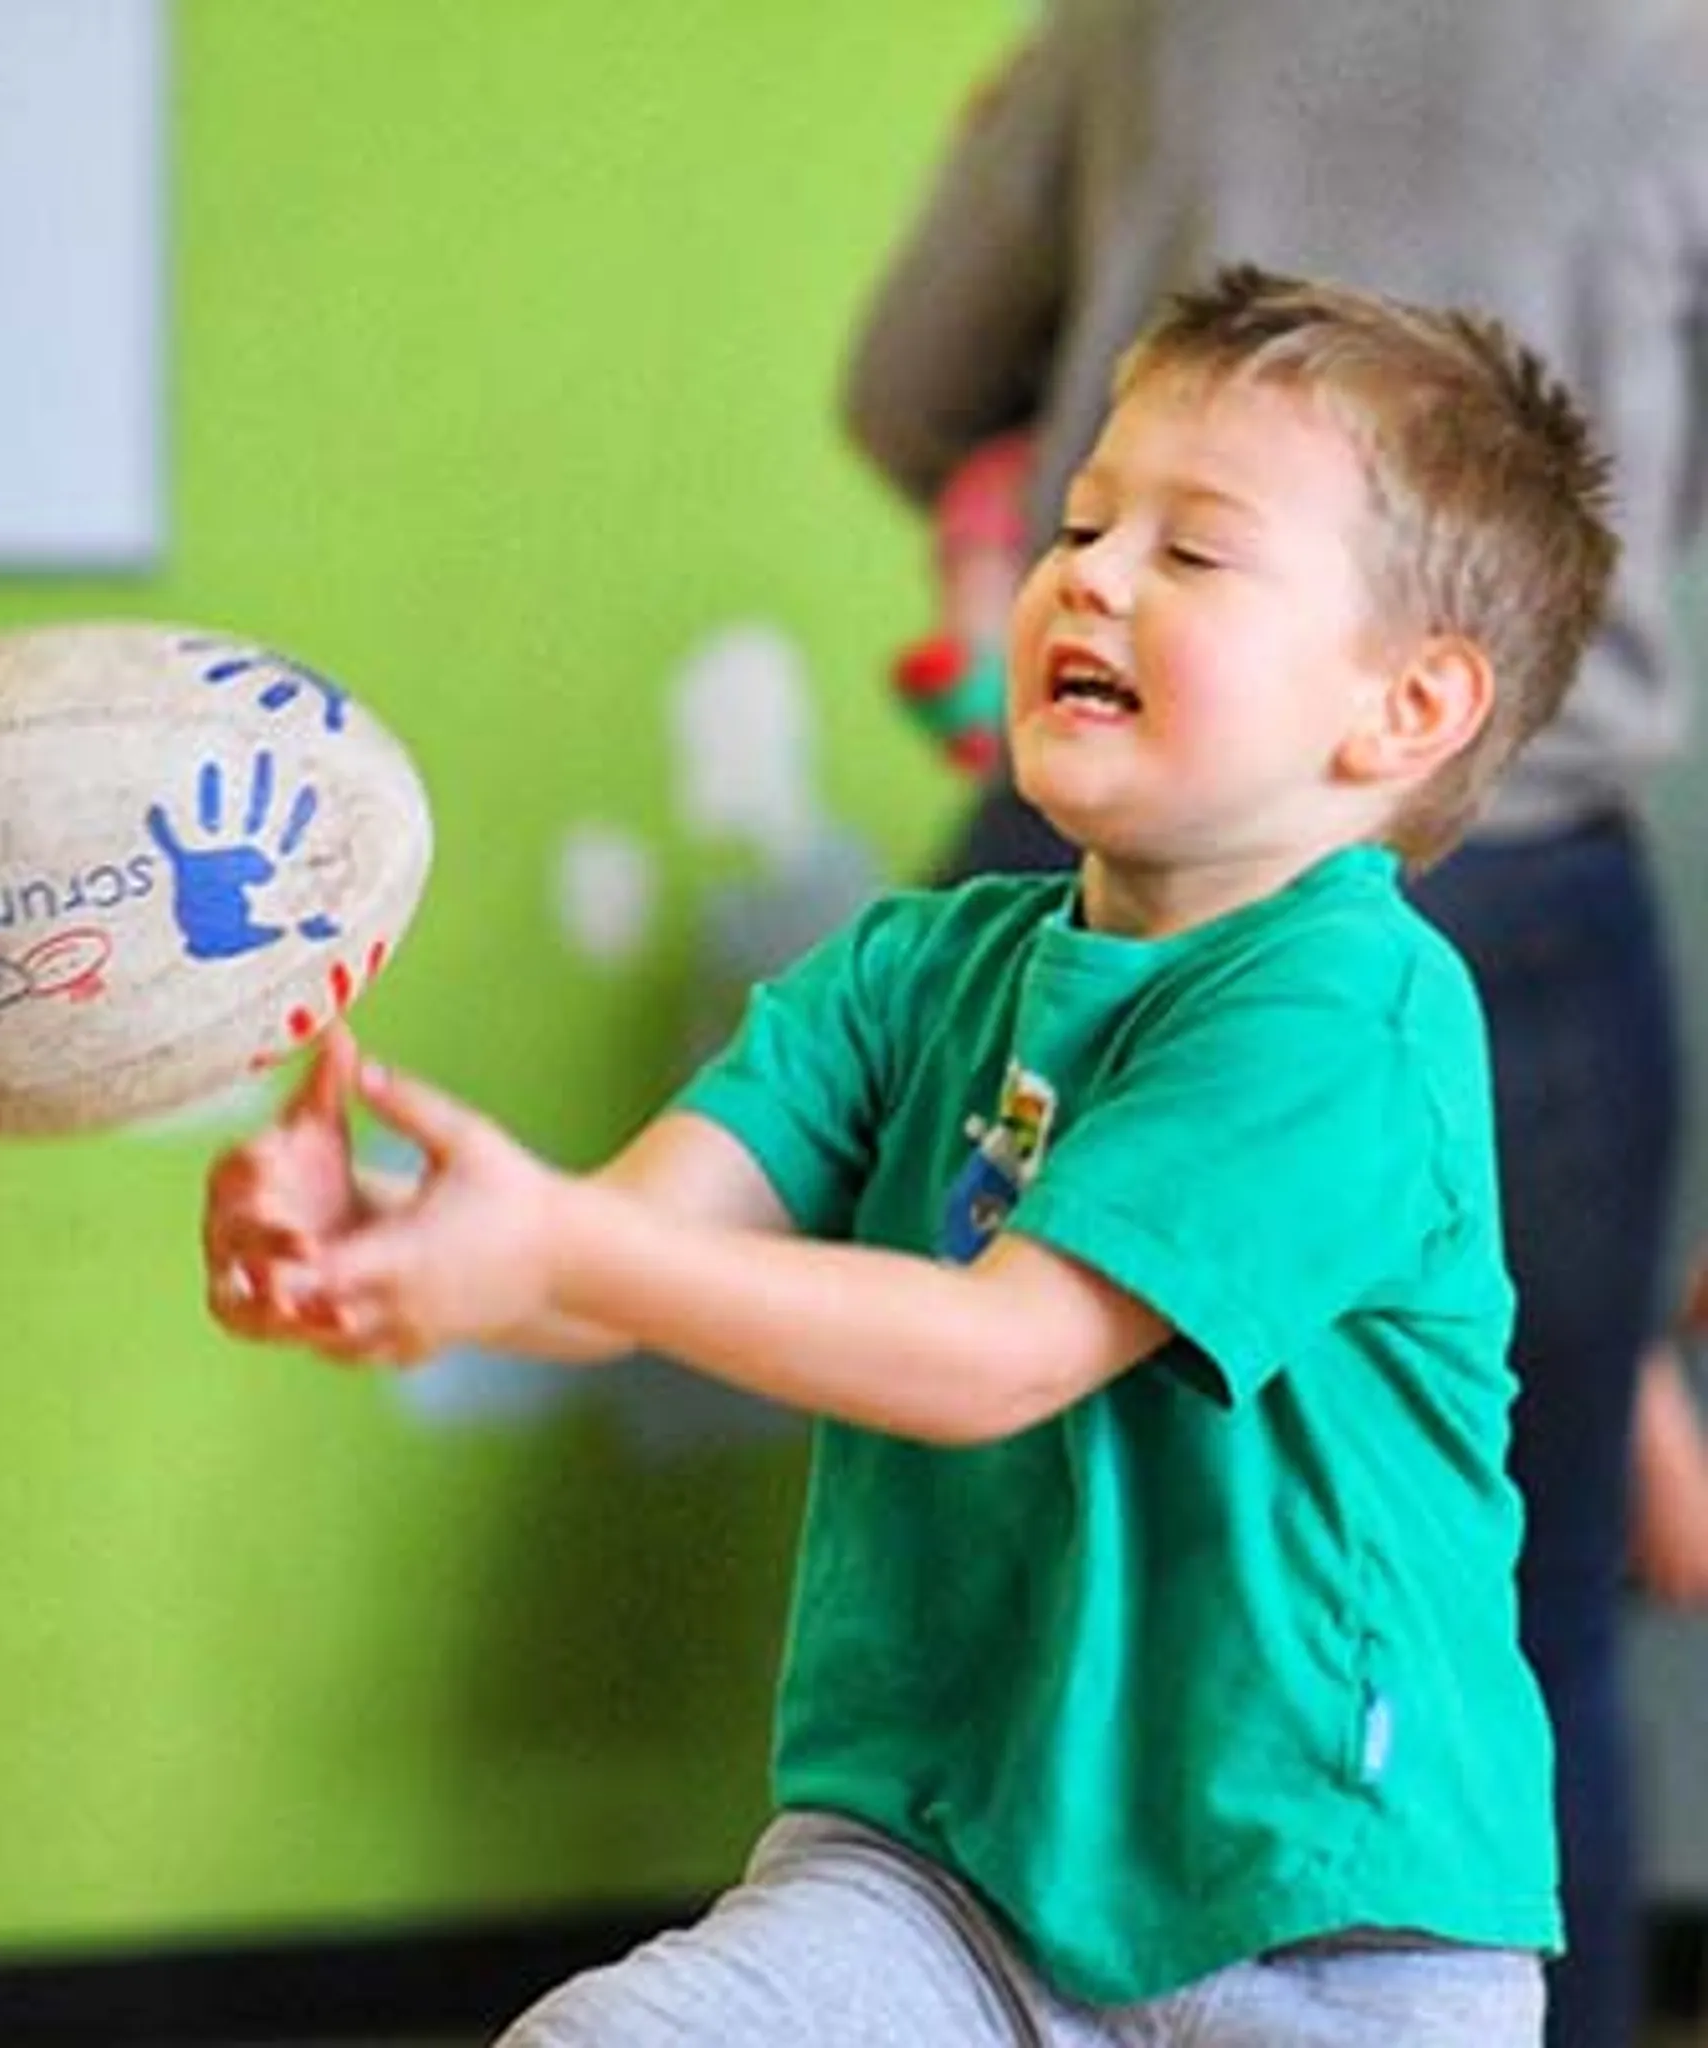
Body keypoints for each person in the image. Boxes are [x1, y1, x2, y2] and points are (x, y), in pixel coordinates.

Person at [205, 265, 1616, 2045]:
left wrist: (560, 1253)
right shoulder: (909, 973)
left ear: (1406, 709)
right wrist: (402, 1247)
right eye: (1084, 520)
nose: (1088, 572)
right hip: (931, 1880)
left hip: (1325, 1930)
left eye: (1193, 554)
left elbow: (1000, 1351)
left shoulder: (1350, 1009)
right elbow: (620, 1261)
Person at [838, 10, 1708, 2042]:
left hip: (1118, 899)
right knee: (1519, 1603)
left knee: (1008, 1601)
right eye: (1104, 527)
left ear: (1413, 698)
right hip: (1535, 876)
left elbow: (906, 390)